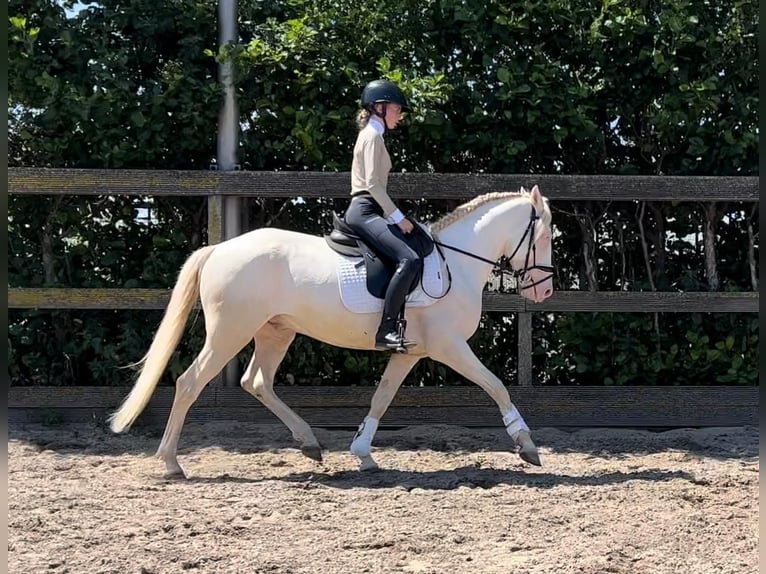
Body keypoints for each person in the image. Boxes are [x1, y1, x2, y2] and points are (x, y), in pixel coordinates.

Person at [343, 79, 422, 351]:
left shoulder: (373, 135)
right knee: (409, 259)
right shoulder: (372, 136)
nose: (399, 115)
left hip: (371, 208)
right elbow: (373, 185)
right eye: (397, 109)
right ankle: (386, 331)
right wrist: (398, 217)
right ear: (380, 107)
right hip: (365, 209)